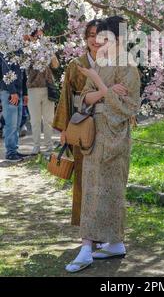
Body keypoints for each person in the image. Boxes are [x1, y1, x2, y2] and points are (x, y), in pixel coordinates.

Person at [65, 16, 141, 273]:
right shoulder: (101, 61)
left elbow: (129, 106)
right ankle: (88, 246)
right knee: (91, 189)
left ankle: (113, 242)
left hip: (116, 135)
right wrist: (104, 89)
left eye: (107, 38)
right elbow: (83, 99)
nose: (101, 43)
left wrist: (98, 83)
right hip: (94, 134)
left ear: (120, 39)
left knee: (112, 189)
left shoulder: (128, 65)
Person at [52, 19, 128, 227]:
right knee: (83, 176)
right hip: (82, 122)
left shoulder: (113, 62)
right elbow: (66, 97)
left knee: (105, 176)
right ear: (85, 38)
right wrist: (64, 129)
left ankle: (104, 227)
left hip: (107, 122)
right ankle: (85, 226)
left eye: (100, 35)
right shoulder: (75, 65)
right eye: (91, 35)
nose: (96, 40)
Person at [27, 29, 60, 156]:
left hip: (48, 87)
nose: (40, 37)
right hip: (33, 88)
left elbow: (56, 65)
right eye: (38, 35)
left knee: (48, 119)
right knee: (35, 120)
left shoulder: (47, 48)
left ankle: (49, 145)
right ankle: (36, 146)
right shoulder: (28, 49)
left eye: (42, 34)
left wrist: (50, 51)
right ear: (32, 36)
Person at [0, 51, 29, 162]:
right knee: (11, 124)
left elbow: (23, 73)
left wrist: (25, 93)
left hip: (19, 92)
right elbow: (5, 72)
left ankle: (14, 150)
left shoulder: (21, 52)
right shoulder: (6, 50)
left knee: (17, 124)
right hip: (9, 92)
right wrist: (12, 92)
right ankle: (10, 153)